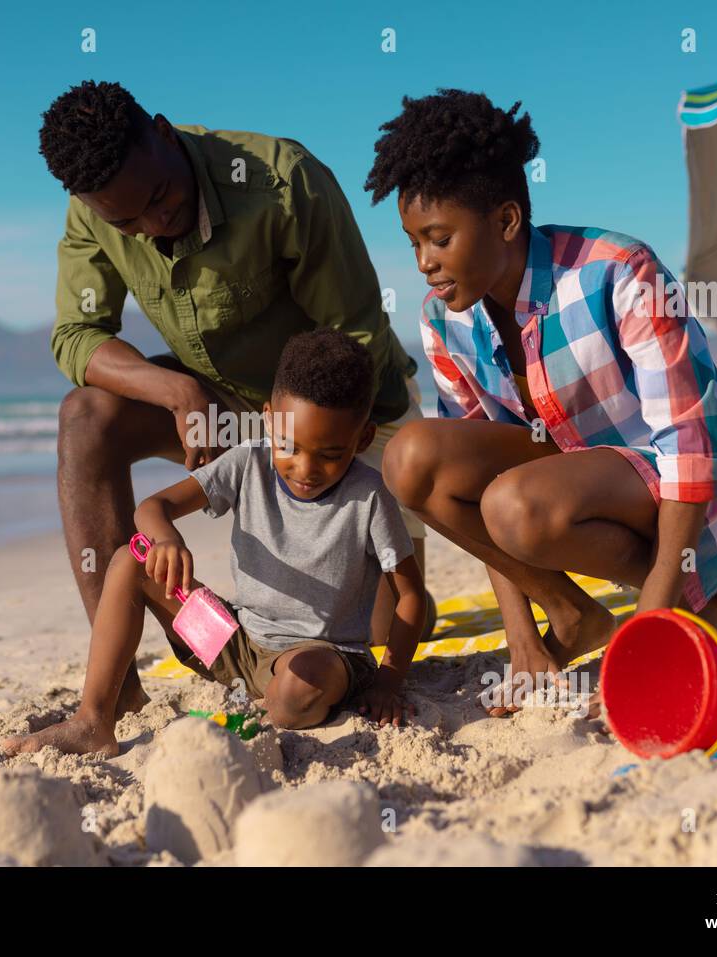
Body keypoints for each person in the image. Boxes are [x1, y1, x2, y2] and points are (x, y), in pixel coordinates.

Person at [364, 89, 717, 715]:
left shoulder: (617, 270)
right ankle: (571, 617)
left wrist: (655, 615)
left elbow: (691, 442)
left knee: (516, 505)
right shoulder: (441, 321)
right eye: (413, 242)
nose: (423, 262)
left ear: (505, 221)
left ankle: (689, 596)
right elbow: (468, 489)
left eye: (438, 239)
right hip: (567, 479)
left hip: (698, 488)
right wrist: (521, 641)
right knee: (412, 459)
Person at [39, 81, 435, 719]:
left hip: (341, 413)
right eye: (126, 222)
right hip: (228, 414)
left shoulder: (284, 181)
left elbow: (354, 340)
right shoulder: (94, 211)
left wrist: (323, 459)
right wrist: (177, 390)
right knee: (84, 416)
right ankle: (117, 694)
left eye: (160, 199)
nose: (152, 224)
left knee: (381, 631)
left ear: (166, 135)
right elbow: (75, 335)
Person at [4, 330, 426, 757]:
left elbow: (410, 596)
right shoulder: (249, 462)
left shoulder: (370, 496)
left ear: (364, 439)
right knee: (130, 559)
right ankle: (92, 721)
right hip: (233, 645)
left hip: (325, 656)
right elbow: (154, 506)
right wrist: (166, 537)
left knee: (303, 683)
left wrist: (389, 682)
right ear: (269, 419)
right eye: (288, 445)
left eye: (330, 455)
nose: (305, 467)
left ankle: (256, 720)